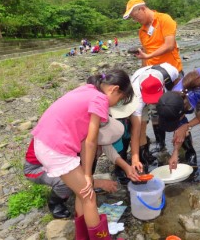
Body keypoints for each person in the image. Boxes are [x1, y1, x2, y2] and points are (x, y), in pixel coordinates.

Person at [30, 69, 138, 239]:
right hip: (55, 148)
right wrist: (88, 175)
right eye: (119, 100)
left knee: (82, 194)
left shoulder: (89, 89)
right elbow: (90, 141)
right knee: (89, 197)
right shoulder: (100, 99)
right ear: (114, 89)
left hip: (45, 141)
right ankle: (101, 237)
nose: (115, 104)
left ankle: (82, 236)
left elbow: (84, 136)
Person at [24, 115, 138, 219]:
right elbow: (67, 172)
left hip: (69, 164)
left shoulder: (88, 130)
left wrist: (127, 167)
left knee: (90, 159)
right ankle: (56, 202)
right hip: (37, 168)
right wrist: (100, 183)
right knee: (64, 182)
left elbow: (109, 150)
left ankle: (83, 187)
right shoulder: (70, 139)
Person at [126, 62, 190, 175]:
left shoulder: (170, 72)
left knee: (175, 113)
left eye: (155, 99)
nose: (153, 102)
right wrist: (135, 159)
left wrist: (181, 122)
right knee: (141, 126)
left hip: (166, 91)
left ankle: (188, 152)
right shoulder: (136, 94)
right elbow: (135, 131)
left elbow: (179, 97)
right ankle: (144, 159)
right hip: (140, 98)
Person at [123, 0, 183, 75]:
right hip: (154, 75)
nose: (136, 20)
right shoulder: (142, 31)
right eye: (133, 18)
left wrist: (149, 56)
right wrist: (142, 72)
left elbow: (169, 45)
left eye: (135, 17)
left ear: (142, 9)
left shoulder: (164, 19)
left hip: (173, 72)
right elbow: (145, 52)